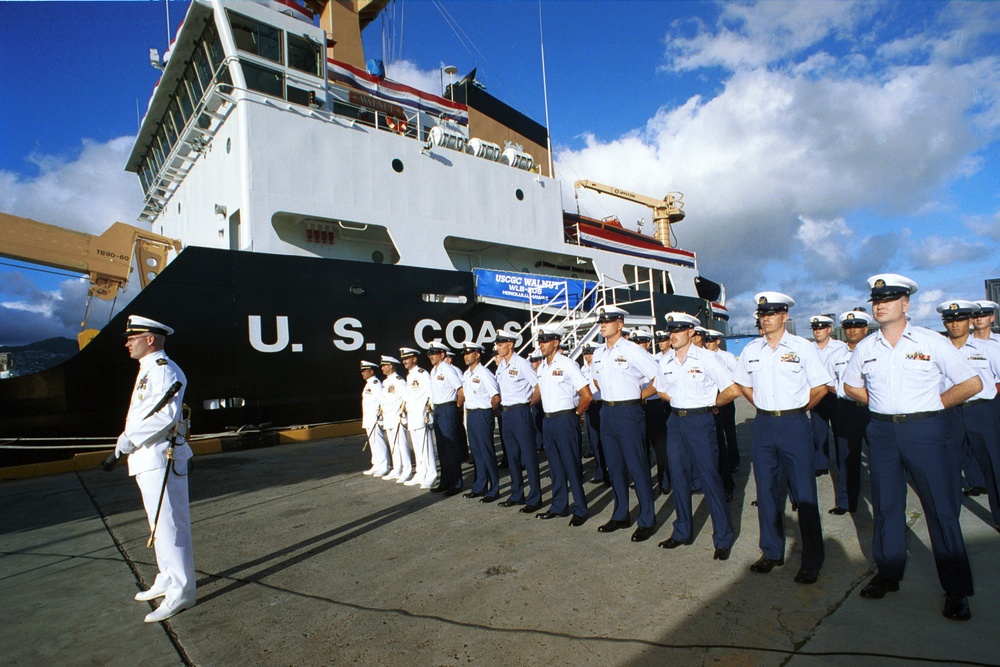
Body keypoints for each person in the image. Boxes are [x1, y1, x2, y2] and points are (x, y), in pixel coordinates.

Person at [844, 274, 981, 621]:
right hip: (882, 433)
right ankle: (888, 573)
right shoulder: (866, 347)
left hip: (925, 431)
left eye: (889, 299)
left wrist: (935, 404)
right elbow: (849, 385)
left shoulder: (930, 341)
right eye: (877, 300)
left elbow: (971, 382)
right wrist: (876, 402)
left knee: (940, 510)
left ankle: (956, 590)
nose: (881, 304)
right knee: (888, 507)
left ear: (905, 304)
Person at [733, 292, 831, 585]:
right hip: (764, 424)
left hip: (794, 423)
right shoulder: (751, 349)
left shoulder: (802, 347)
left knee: (804, 495)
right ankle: (771, 552)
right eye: (762, 313)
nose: (766, 318)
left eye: (773, 313)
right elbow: (743, 385)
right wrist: (764, 405)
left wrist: (798, 409)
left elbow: (821, 387)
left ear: (785, 316)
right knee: (766, 492)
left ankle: (812, 560)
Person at [114, 315, 195, 623]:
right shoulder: (148, 370)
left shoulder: (165, 370)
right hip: (148, 459)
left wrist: (127, 440)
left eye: (132, 337)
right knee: (158, 525)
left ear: (150, 339)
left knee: (171, 526)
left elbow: (165, 418)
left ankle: (182, 592)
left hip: (161, 457)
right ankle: (166, 578)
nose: (127, 342)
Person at [654, 313, 739, 560]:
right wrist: (681, 401)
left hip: (700, 422)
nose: (673, 334)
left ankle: (722, 537)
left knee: (709, 478)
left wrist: (708, 402)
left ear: (691, 332)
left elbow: (732, 390)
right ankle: (682, 532)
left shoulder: (706, 358)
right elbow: (661, 390)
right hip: (676, 421)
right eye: (670, 330)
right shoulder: (666, 361)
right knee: (679, 477)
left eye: (678, 330)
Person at [591, 306, 661, 542]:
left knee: (638, 467)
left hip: (629, 412)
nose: (602, 325)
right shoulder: (600, 352)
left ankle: (647, 520)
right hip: (607, 413)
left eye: (607, 321)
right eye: (601, 321)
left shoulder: (632, 350)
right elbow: (596, 379)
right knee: (615, 467)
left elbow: (658, 377)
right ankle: (620, 514)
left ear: (619, 325)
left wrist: (640, 396)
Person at [937, 300, 1000, 530]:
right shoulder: (938, 349)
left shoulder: (987, 348)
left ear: (969, 320)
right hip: (949, 413)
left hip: (981, 411)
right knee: (949, 467)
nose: (955, 324)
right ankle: (949, 519)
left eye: (960, 319)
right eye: (950, 320)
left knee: (994, 465)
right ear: (944, 322)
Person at [532, 326, 593, 526]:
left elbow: (586, 395)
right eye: (540, 341)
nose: (541, 344)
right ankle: (559, 505)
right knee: (555, 466)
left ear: (556, 343)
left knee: (571, 465)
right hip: (548, 420)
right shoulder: (542, 367)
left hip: (565, 419)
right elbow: (539, 390)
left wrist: (576, 414)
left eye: (545, 341)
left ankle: (580, 508)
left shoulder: (567, 364)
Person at [825, 310, 872, 514]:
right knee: (846, 458)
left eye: (857, 326)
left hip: (872, 410)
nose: (852, 330)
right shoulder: (836, 356)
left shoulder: (875, 352)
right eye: (848, 327)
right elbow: (828, 382)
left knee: (879, 457)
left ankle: (882, 499)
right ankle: (846, 501)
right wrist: (844, 393)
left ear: (866, 329)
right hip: (846, 410)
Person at [494, 331, 544, 513]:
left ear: (510, 344)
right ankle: (517, 493)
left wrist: (527, 404)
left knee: (528, 455)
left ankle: (535, 497)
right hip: (506, 413)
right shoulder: (501, 366)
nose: (497, 347)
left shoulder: (521, 363)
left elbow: (538, 387)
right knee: (512, 455)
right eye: (497, 344)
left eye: (500, 344)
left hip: (520, 412)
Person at [460, 342, 501, 502]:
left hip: (483, 414)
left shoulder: (484, 373)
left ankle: (494, 488)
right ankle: (480, 486)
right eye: (464, 353)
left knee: (487, 452)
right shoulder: (466, 374)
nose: (465, 356)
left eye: (469, 353)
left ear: (477, 355)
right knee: (476, 453)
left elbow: (496, 397)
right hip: (471, 414)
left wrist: (492, 410)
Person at [809, 315, 847, 476]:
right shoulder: (809, 348)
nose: (818, 331)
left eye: (821, 328)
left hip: (834, 394)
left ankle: (842, 464)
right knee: (818, 432)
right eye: (815, 328)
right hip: (817, 393)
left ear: (829, 329)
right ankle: (821, 463)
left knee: (840, 432)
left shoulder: (840, 347)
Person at [427, 341, 466, 495]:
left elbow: (461, 391)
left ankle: (456, 484)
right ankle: (445, 481)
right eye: (429, 353)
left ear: (442, 355)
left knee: (451, 449)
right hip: (438, 410)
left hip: (448, 408)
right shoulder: (433, 371)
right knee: (442, 449)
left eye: (434, 353)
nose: (430, 356)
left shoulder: (448, 370)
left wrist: (456, 408)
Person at [636, 329, 670, 495]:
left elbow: (658, 382)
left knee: (660, 447)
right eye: (636, 343)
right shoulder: (630, 360)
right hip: (637, 407)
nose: (638, 346)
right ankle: (644, 482)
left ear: (648, 344)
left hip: (653, 405)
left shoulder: (656, 360)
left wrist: (641, 395)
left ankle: (664, 480)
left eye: (641, 342)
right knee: (641, 447)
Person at [704, 329, 741, 476]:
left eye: (711, 340)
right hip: (711, 397)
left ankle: (734, 461)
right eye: (707, 341)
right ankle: (720, 462)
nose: (709, 343)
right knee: (716, 434)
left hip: (725, 396)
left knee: (729, 431)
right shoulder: (705, 357)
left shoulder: (726, 356)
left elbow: (738, 374)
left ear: (718, 341)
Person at [379, 355, 414, 484]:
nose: (382, 368)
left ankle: (407, 470)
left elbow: (406, 397)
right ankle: (397, 468)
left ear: (391, 366)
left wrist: (403, 412)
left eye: (384, 365)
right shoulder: (386, 382)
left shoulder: (398, 380)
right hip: (389, 417)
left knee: (402, 445)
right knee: (393, 445)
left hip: (397, 418)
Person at [400, 347, 432, 487]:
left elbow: (431, 393)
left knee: (426, 448)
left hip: (421, 416)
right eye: (403, 359)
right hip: (412, 417)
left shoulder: (422, 373)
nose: (404, 361)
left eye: (407, 358)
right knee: (418, 449)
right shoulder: (409, 376)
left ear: (414, 359)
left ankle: (431, 475)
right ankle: (420, 473)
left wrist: (429, 414)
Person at [580, 344, 607, 484]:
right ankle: (600, 472)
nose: (587, 356)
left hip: (602, 404)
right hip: (591, 407)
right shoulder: (583, 369)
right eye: (585, 353)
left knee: (606, 441)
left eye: (590, 353)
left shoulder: (601, 366)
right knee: (595, 441)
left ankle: (610, 473)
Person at [360, 361, 390, 477]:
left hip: (375, 418)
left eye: (364, 371)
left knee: (378, 441)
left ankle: (384, 465)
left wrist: (380, 415)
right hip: (369, 418)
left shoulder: (375, 383)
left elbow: (382, 400)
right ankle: (376, 464)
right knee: (373, 442)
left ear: (371, 372)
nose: (362, 373)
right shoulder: (369, 383)